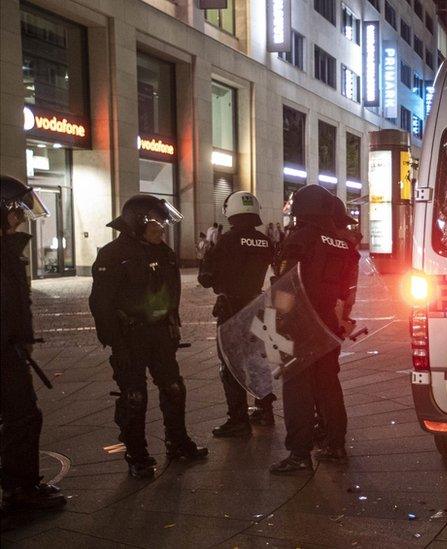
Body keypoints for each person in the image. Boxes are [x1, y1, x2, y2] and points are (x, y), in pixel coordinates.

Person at [89, 194, 208, 479]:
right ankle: (137, 453)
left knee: (174, 388)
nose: (163, 228)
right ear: (137, 223)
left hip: (160, 336)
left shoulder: (164, 253)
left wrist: (172, 322)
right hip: (129, 339)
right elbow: (101, 303)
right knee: (134, 397)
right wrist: (115, 339)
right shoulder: (112, 255)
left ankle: (178, 442)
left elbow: (171, 293)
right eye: (157, 223)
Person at [269, 185, 359, 474]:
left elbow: (285, 286)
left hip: (300, 325)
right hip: (327, 324)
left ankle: (299, 454)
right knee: (328, 386)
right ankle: (335, 444)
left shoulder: (300, 239)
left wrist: (277, 324)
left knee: (297, 388)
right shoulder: (341, 243)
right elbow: (345, 288)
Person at [1, 175, 66, 513]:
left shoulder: (10, 249)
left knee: (23, 417)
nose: (23, 216)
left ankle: (19, 485)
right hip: (5, 352)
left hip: (12, 348)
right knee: (22, 417)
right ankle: (18, 489)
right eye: (17, 210)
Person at [199, 192, 276, 438]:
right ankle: (265, 411)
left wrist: (208, 259)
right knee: (257, 360)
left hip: (231, 309)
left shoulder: (225, 241)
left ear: (230, 211)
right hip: (256, 306)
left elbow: (205, 278)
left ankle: (238, 419)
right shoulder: (265, 241)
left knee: (230, 365)